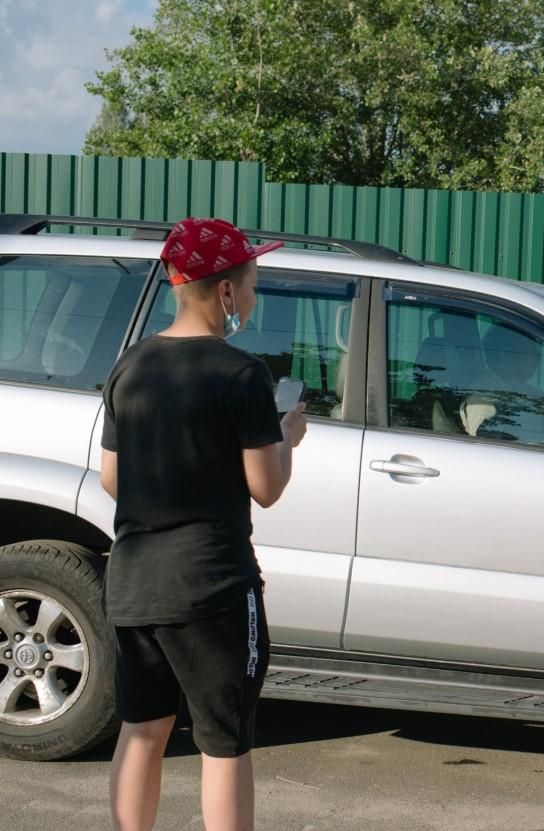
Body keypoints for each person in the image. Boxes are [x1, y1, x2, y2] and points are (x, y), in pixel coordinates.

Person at [100, 217, 307, 831]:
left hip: (134, 583)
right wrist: (288, 436)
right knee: (224, 743)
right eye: (251, 281)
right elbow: (265, 488)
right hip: (212, 588)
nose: (254, 294)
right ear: (224, 291)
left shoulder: (130, 366)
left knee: (142, 730)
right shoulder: (243, 376)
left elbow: (112, 478)